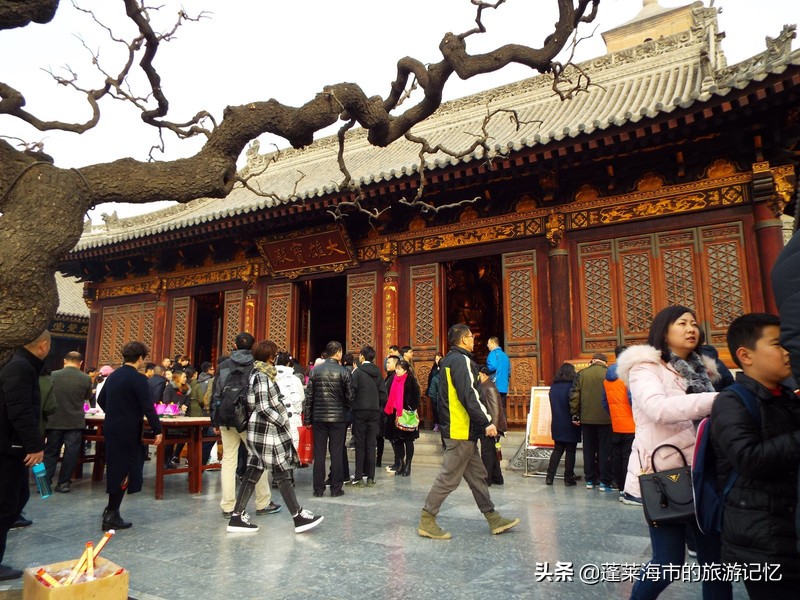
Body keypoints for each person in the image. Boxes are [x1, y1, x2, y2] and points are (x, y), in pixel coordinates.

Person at [616, 306, 728, 600]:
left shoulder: (706, 371)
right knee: (667, 564)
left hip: (705, 473)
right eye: (682, 323)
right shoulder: (645, 368)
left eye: (694, 323)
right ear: (664, 330)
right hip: (667, 475)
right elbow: (658, 409)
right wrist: (717, 400)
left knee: (716, 564)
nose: (691, 328)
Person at [710, 313, 800, 599]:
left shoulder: (786, 397)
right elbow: (749, 458)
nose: (787, 352)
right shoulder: (730, 401)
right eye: (777, 344)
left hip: (788, 531)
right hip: (761, 542)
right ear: (745, 355)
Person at [417, 323, 519, 539]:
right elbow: (470, 395)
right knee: (449, 478)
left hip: (463, 430)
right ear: (463, 339)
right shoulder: (462, 360)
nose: (474, 340)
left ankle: (492, 517)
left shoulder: (448, 360)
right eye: (472, 336)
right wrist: (487, 421)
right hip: (460, 429)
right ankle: (427, 519)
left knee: (478, 476)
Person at [227, 341, 323, 534]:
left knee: (253, 472)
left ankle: (237, 516)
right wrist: (282, 419)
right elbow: (263, 406)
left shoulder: (258, 373)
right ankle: (298, 516)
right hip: (266, 431)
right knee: (281, 472)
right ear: (270, 356)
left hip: (261, 430)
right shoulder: (262, 376)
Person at [97, 341, 164, 531]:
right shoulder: (139, 379)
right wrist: (157, 429)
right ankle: (112, 513)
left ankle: (111, 509)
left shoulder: (113, 376)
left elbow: (102, 400)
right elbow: (147, 407)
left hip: (111, 426)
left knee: (115, 466)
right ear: (141, 358)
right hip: (128, 429)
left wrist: (115, 412)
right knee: (125, 468)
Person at [0, 330, 50, 581]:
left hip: (13, 446)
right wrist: (34, 445)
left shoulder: (22, 365)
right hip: (9, 447)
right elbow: (20, 408)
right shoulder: (20, 367)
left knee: (18, 497)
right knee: (5, 505)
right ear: (43, 346)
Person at [212, 333, 278, 519]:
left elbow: (216, 393)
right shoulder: (257, 366)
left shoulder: (224, 365)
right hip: (249, 418)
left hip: (227, 417)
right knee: (257, 458)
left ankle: (228, 505)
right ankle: (263, 502)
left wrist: (215, 419)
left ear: (234, 345)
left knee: (228, 460)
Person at [304, 340, 352, 498]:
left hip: (319, 417)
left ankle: (318, 489)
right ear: (338, 353)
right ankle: (336, 488)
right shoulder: (344, 372)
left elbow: (309, 397)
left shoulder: (315, 371)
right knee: (336, 452)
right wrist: (345, 410)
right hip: (338, 418)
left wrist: (308, 420)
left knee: (319, 453)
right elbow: (350, 397)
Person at [44, 351, 93, 493]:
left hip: (54, 420)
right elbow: (87, 396)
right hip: (74, 422)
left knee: (51, 452)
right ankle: (64, 483)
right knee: (71, 453)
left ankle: (45, 483)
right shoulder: (85, 378)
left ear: (65, 361)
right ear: (81, 363)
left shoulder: (53, 375)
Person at [570, 353, 612, 492]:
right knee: (604, 450)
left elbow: (575, 395)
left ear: (592, 361)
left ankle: (589, 479)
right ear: (604, 362)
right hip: (606, 419)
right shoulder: (608, 373)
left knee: (588, 449)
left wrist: (575, 414)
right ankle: (604, 481)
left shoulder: (582, 374)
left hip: (587, 419)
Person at [350, 345, 387, 487]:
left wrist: (354, 405)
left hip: (360, 411)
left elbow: (352, 392)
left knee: (360, 443)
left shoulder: (357, 372)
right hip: (374, 411)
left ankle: (359, 477)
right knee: (371, 443)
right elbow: (384, 394)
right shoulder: (378, 372)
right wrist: (377, 404)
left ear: (362, 357)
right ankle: (371, 477)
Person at [602, 345, 635, 499]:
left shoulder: (607, 379)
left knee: (617, 456)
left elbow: (604, 403)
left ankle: (620, 485)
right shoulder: (627, 376)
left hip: (616, 424)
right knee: (628, 456)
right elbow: (631, 399)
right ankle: (628, 487)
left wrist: (614, 415)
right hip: (631, 424)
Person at [545, 363, 581, 486]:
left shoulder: (553, 387)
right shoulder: (572, 386)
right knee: (571, 451)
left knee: (557, 449)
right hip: (570, 422)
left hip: (557, 421)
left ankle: (550, 477)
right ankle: (568, 478)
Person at [383, 359, 420, 477]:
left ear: (405, 370)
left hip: (406, 415)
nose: (397, 370)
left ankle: (408, 464)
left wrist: (408, 407)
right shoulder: (393, 379)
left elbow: (416, 397)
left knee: (408, 441)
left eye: (399, 369)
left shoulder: (410, 380)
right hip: (394, 414)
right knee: (397, 441)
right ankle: (400, 463)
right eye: (397, 368)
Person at [478, 366, 507, 486]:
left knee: (487, 453)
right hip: (490, 425)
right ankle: (497, 477)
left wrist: (492, 427)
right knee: (492, 452)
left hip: (491, 426)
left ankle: (486, 478)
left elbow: (495, 409)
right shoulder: (486, 386)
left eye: (478, 374)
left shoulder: (489, 387)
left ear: (484, 374)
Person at [486, 337, 510, 408]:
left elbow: (493, 367)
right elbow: (509, 372)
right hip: (504, 386)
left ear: (493, 343)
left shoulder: (493, 353)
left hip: (495, 385)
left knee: (494, 408)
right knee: (502, 408)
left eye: (488, 343)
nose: (487, 345)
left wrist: (485, 369)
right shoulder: (505, 356)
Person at [427, 352, 442, 432]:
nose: (437, 361)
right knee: (435, 410)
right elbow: (431, 382)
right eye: (436, 359)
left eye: (439, 359)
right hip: (436, 394)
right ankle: (437, 424)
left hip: (442, 396)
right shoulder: (433, 370)